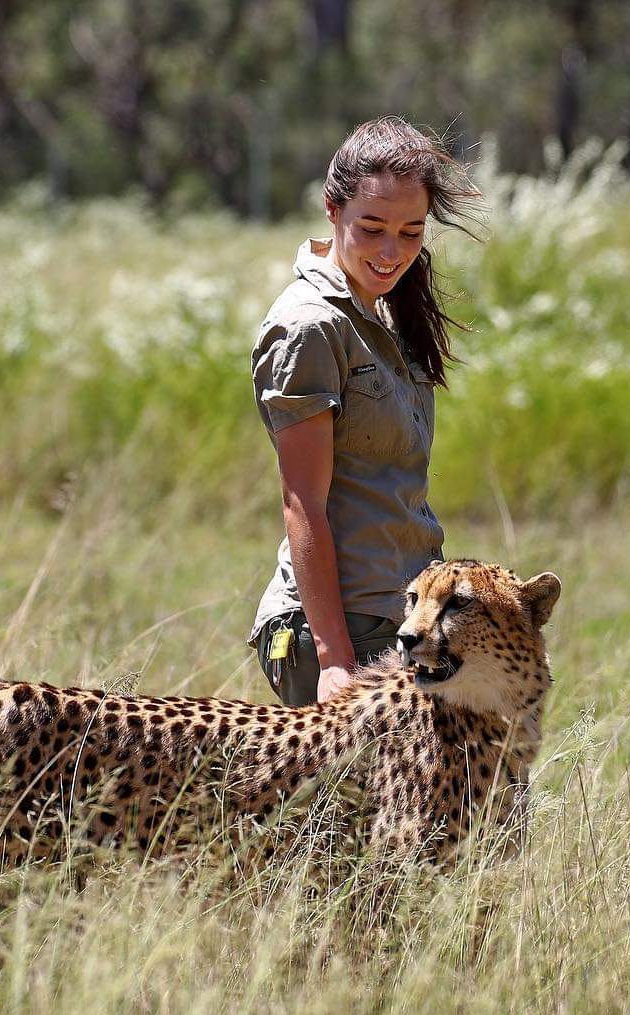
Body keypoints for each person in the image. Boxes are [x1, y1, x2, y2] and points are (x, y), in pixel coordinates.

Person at [249, 116, 484, 706]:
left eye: (411, 232)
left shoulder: (378, 310)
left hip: (402, 613)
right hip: (339, 628)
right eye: (372, 228)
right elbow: (303, 503)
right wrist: (333, 660)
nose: (391, 252)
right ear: (333, 209)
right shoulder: (310, 325)